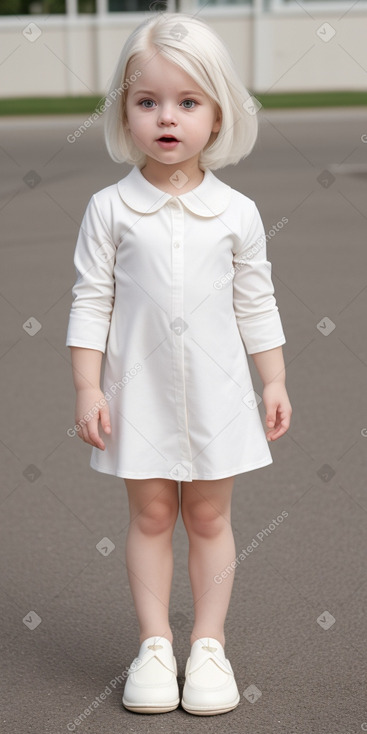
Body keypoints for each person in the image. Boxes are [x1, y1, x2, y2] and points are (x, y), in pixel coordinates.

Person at [65, 11, 292, 717]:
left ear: (218, 113)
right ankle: (155, 644)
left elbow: (256, 300)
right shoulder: (109, 211)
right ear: (125, 111)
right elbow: (89, 301)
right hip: (137, 394)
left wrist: (273, 377)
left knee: (210, 515)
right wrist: (85, 385)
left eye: (187, 102)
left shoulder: (237, 213)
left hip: (219, 393)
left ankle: (210, 644)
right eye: (148, 101)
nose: (167, 117)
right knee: (153, 512)